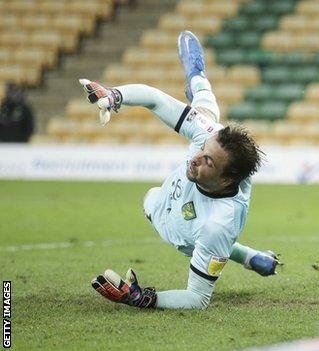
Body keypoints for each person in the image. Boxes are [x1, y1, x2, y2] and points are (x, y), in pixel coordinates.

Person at [85, 30, 280, 309]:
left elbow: (197, 299)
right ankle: (197, 79)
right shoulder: (209, 140)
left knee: (205, 235)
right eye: (203, 151)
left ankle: (249, 256)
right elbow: (153, 98)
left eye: (208, 162)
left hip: (177, 230)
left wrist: (143, 299)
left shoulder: (216, 226)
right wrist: (116, 95)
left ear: (226, 179)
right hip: (171, 197)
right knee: (206, 120)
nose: (196, 159)